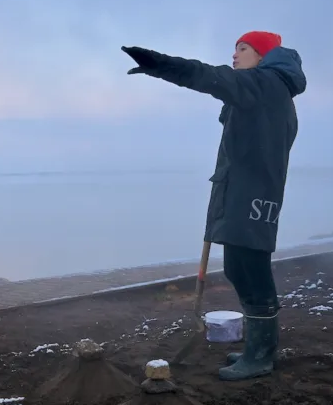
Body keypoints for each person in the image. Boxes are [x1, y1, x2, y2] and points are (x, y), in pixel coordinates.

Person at [122, 31, 306, 380]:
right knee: (240, 268)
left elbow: (209, 76)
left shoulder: (265, 84)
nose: (235, 56)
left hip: (252, 192)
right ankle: (258, 346)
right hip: (243, 190)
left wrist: (160, 64)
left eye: (243, 49)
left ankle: (262, 355)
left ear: (263, 55)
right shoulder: (267, 90)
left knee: (252, 271)